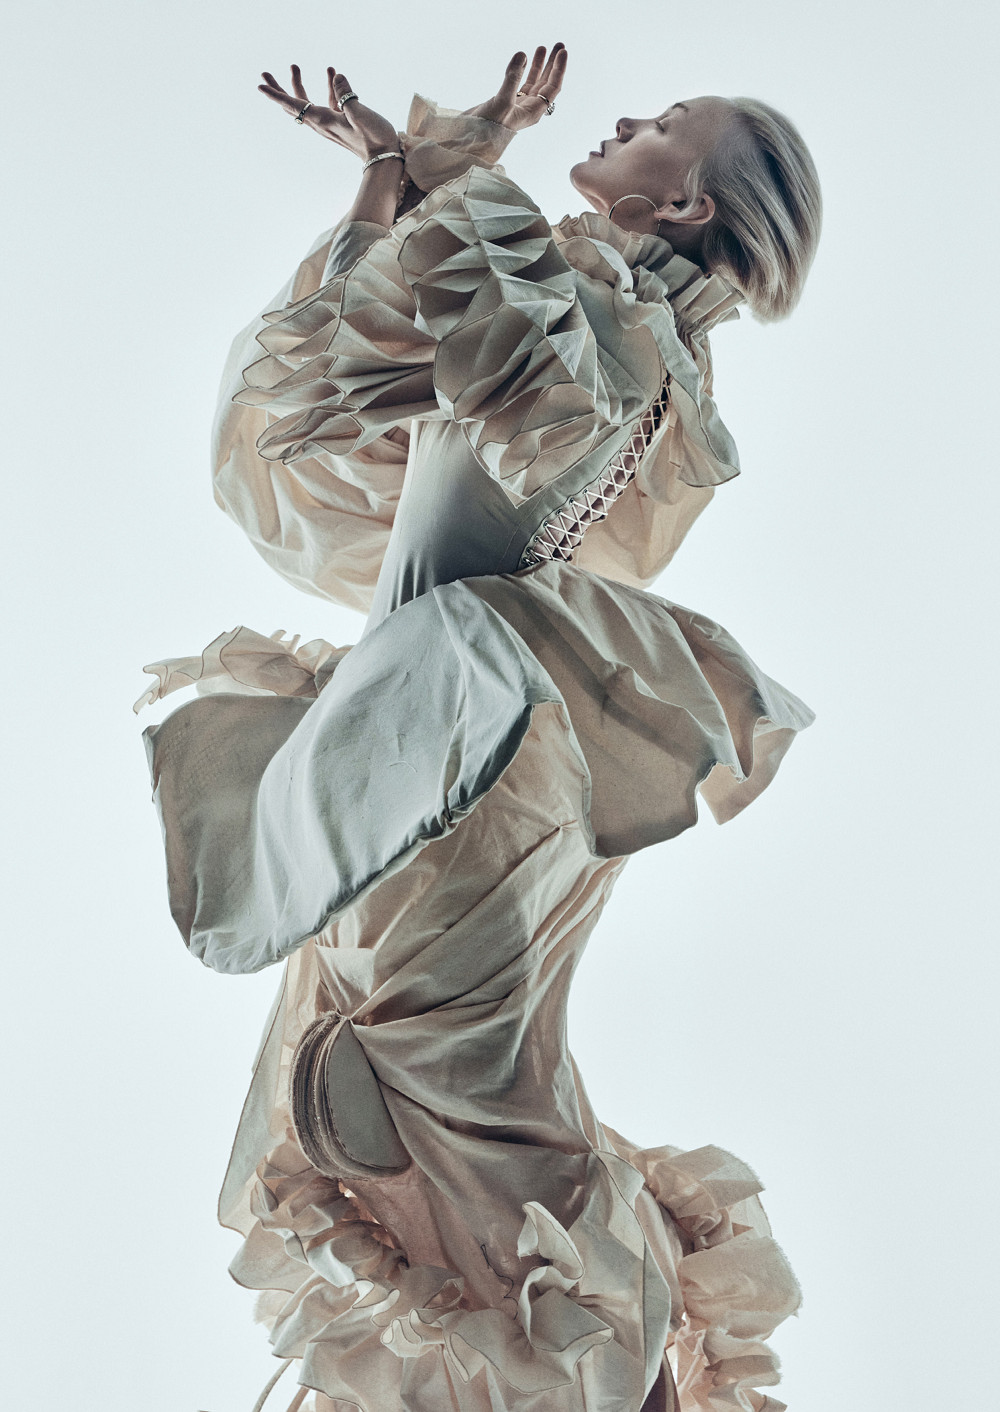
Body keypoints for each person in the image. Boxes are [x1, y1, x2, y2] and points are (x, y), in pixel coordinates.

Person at [136, 44, 821, 1412]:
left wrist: (447, 171)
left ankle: (608, 1360)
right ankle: (607, 1362)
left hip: (469, 749)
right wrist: (400, 179)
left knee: (421, 1086)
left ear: (686, 204)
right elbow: (302, 404)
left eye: (664, 122)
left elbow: (475, 349)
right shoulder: (598, 322)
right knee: (408, 1090)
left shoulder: (597, 321)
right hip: (438, 740)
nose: (623, 117)